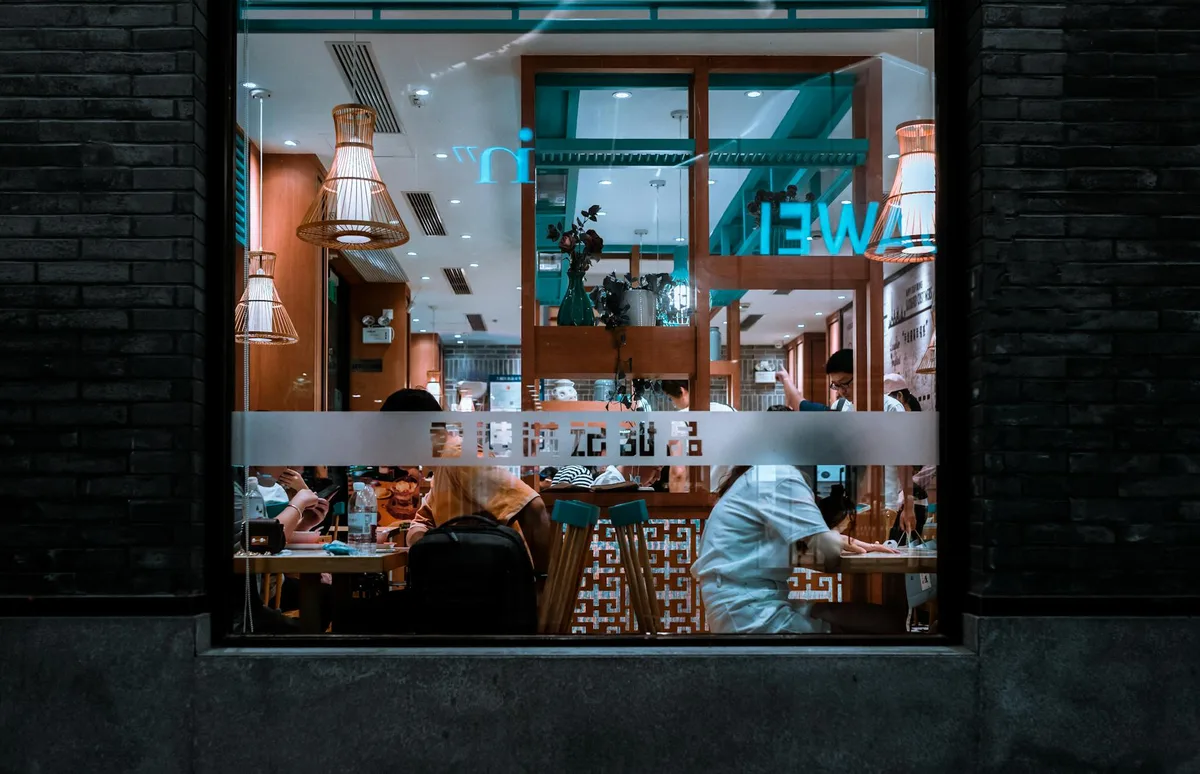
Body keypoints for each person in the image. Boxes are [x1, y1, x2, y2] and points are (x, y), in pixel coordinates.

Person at [692, 465, 903, 634]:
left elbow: (806, 544)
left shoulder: (761, 473)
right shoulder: (780, 476)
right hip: (751, 613)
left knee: (883, 620)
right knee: (885, 623)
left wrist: (837, 539)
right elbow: (828, 554)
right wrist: (833, 534)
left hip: (741, 603)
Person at [379, 389, 552, 581]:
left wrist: (541, 585)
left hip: (497, 589)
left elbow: (535, 508)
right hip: (470, 585)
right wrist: (425, 544)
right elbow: (421, 522)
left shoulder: (458, 457)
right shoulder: (441, 465)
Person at [884, 373, 929, 543]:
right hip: (892, 500)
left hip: (911, 500)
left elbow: (929, 468)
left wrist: (906, 493)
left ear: (900, 397)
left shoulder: (921, 428)